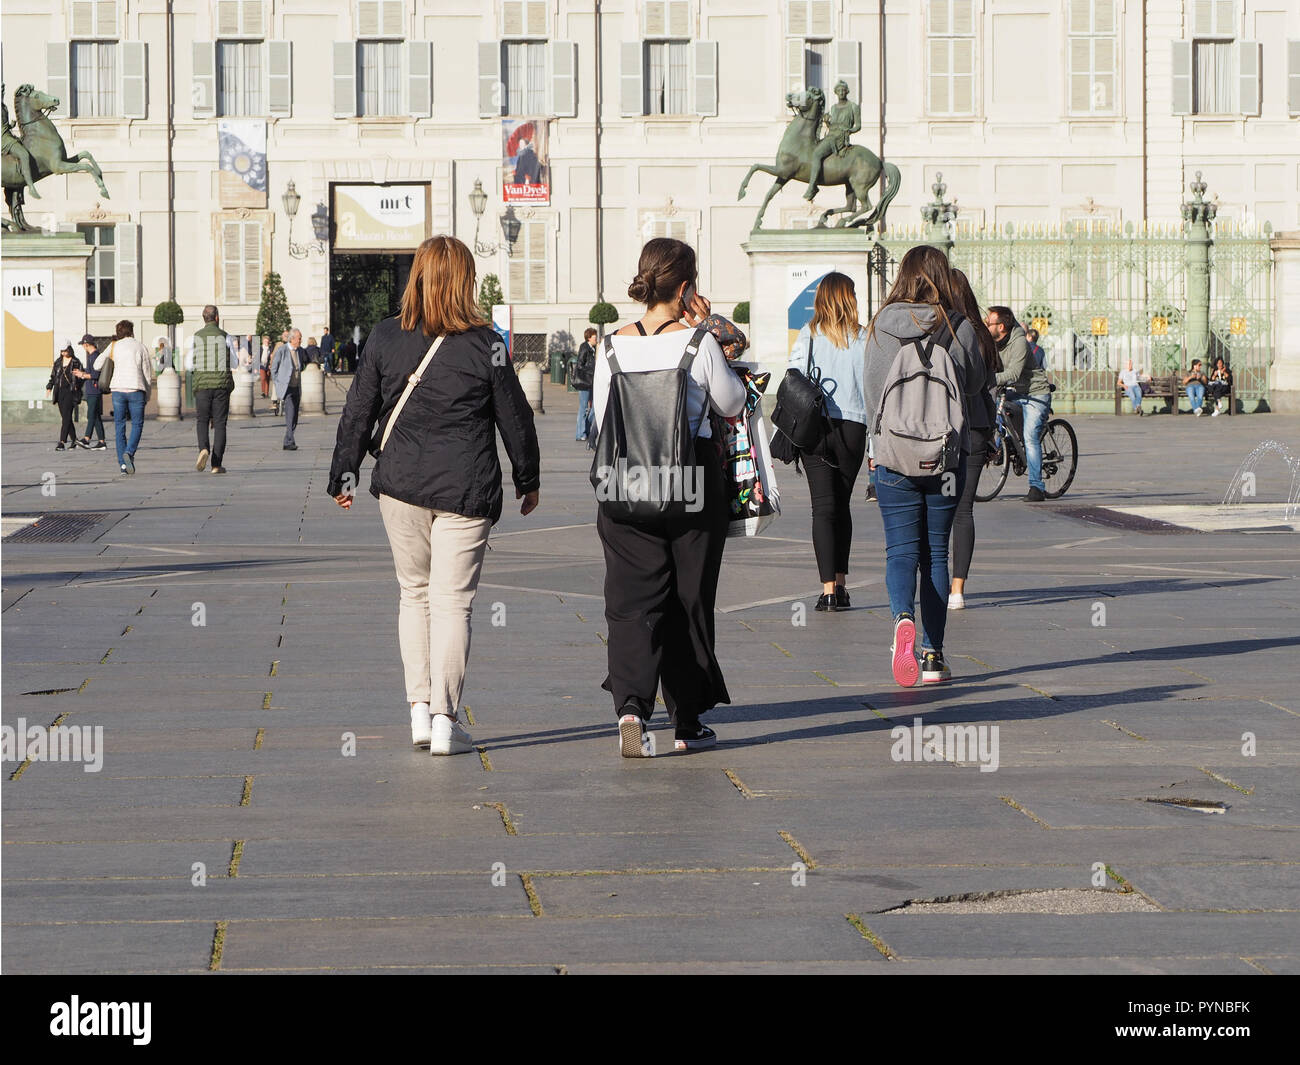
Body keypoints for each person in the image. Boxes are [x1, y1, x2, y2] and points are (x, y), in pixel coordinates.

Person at [328, 235, 540, 756]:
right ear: (465, 282)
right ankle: (446, 719)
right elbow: (515, 417)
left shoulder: (384, 336)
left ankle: (419, 711)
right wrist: (527, 479)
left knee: (413, 594)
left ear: (416, 277)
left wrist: (344, 475)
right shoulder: (487, 342)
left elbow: (358, 411)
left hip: (400, 486)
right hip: (466, 487)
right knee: (453, 603)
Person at [594, 237, 746, 756]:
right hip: (691, 484)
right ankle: (686, 720)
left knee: (630, 602)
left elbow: (599, 418)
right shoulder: (697, 342)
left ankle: (632, 707)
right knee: (688, 599)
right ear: (685, 289)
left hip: (628, 481)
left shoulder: (611, 344)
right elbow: (731, 402)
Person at [865, 245, 985, 687]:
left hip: (893, 456)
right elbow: (974, 384)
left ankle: (902, 620)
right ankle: (933, 655)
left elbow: (871, 394)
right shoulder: (959, 325)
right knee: (936, 552)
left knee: (900, 550)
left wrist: (873, 454)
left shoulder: (881, 326)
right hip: (947, 459)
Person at [788, 271, 869, 612]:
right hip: (853, 427)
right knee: (842, 506)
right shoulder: (864, 338)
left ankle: (828, 591)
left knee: (822, 508)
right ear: (850, 299)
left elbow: (793, 377)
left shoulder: (808, 333)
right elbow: (871, 388)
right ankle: (843, 581)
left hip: (816, 426)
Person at [941, 269, 1001, 611]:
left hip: (944, 427)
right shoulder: (980, 332)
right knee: (964, 509)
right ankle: (957, 589)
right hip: (977, 426)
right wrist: (992, 430)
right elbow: (989, 386)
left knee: (940, 508)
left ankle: (935, 575)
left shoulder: (941, 327)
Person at [989, 306, 1051, 500]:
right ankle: (1004, 446)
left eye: (988, 323)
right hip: (1016, 391)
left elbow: (1014, 373)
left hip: (1036, 393)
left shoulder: (1019, 343)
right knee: (995, 410)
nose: (985, 325)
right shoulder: (994, 342)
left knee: (1030, 437)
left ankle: (1037, 487)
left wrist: (988, 378)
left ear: (1000, 326)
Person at [186, 304, 236, 474]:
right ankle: (216, 464)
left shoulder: (196, 337)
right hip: (221, 385)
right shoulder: (226, 337)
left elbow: (188, 364)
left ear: (204, 319)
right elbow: (235, 362)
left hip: (202, 385)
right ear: (217, 318)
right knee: (220, 423)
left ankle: (203, 449)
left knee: (202, 420)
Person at [105, 319, 152, 475]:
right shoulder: (140, 347)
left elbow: (98, 364)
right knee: (137, 424)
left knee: (120, 426)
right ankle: (129, 452)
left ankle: (122, 465)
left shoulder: (114, 346)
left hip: (117, 388)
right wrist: (148, 393)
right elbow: (147, 372)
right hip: (136, 388)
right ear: (132, 331)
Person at [805, 81, 860, 202]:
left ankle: (812, 187)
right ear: (836, 93)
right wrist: (827, 122)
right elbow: (832, 125)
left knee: (817, 154)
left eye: (843, 90)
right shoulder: (833, 108)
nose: (841, 92)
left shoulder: (853, 107)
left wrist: (849, 130)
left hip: (840, 137)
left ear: (847, 92)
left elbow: (858, 126)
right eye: (839, 90)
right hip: (831, 135)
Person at [272, 328, 306, 450]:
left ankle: (287, 441)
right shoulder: (282, 350)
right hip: (287, 388)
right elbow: (273, 368)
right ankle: (290, 441)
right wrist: (278, 382)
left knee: (295, 416)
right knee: (290, 414)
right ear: (292, 339)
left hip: (296, 386)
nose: (301, 340)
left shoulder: (299, 351)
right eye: (299, 338)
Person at [46, 339, 83, 450]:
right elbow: (53, 376)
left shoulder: (76, 362)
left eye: (65, 351)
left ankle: (62, 442)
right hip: (59, 392)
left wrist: (78, 385)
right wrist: (49, 387)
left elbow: (81, 377)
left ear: (69, 349)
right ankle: (75, 440)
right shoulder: (58, 362)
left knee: (66, 417)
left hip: (71, 392)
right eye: (62, 351)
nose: (63, 353)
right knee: (66, 417)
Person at [74, 333, 108, 450]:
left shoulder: (94, 356)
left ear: (86, 344)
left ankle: (87, 439)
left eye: (83, 345)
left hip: (94, 390)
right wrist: (81, 372)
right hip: (92, 390)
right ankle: (102, 442)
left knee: (91, 415)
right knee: (96, 416)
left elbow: (95, 374)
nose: (83, 347)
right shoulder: (93, 356)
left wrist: (82, 374)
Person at [570, 327, 597, 441]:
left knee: (594, 408)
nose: (596, 339)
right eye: (595, 337)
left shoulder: (593, 348)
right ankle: (580, 433)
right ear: (589, 337)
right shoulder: (585, 347)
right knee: (584, 408)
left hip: (591, 382)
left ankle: (586, 430)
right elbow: (580, 365)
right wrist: (593, 370)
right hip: (584, 382)